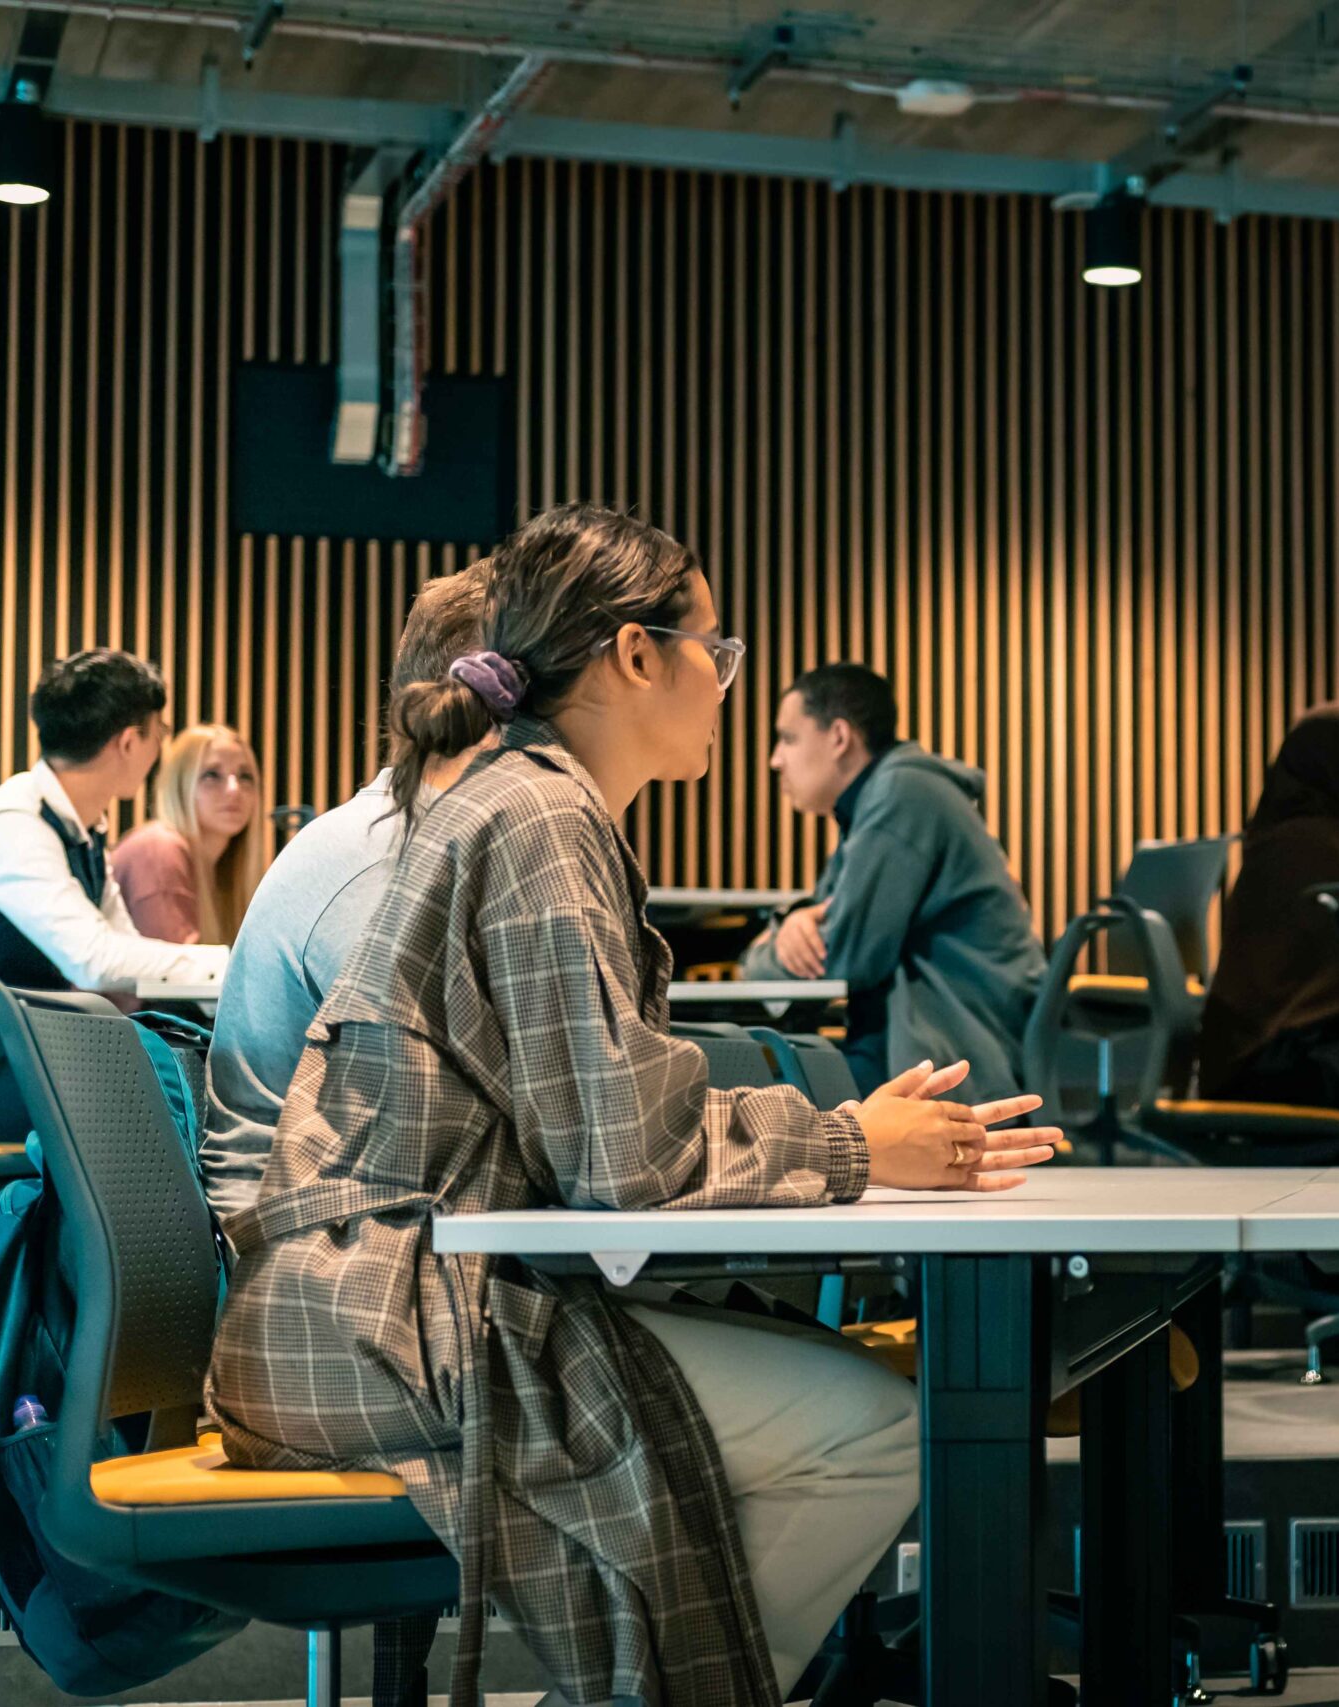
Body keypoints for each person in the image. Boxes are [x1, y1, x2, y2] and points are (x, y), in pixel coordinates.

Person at [205, 504, 1060, 1707]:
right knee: (870, 1427)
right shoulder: (542, 819)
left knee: (808, 1401)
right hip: (384, 1328)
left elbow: (601, 1128)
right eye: (718, 648)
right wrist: (849, 1144)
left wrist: (850, 1142)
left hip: (367, 1304)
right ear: (636, 654)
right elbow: (619, 1158)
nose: (726, 683)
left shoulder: (525, 803)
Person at [200, 567, 491, 1220]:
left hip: (370, 1214)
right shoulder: (390, 859)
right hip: (315, 1245)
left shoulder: (438, 839)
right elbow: (435, 1122)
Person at [743, 663, 1047, 1101]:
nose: (776, 759)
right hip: (921, 1041)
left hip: (957, 1053)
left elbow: (842, 958)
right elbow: (824, 916)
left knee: (758, 1095)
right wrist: (791, 924)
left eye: (788, 738)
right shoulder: (878, 797)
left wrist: (758, 956)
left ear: (839, 737)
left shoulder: (902, 795)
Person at [0, 649, 230, 993]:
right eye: (160, 732)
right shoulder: (12, 823)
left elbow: (123, 947)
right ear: (129, 742)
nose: (160, 749)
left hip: (26, 1022)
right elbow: (95, 961)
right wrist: (228, 964)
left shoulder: (84, 826)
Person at [1196, 703, 1339, 1108]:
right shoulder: (1305, 849)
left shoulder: (1321, 840)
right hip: (1269, 1064)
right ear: (1338, 766)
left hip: (1277, 1053)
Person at [112, 723, 270, 946]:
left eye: (245, 777)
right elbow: (174, 965)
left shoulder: (226, 875)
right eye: (212, 775)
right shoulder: (158, 849)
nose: (234, 789)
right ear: (179, 786)